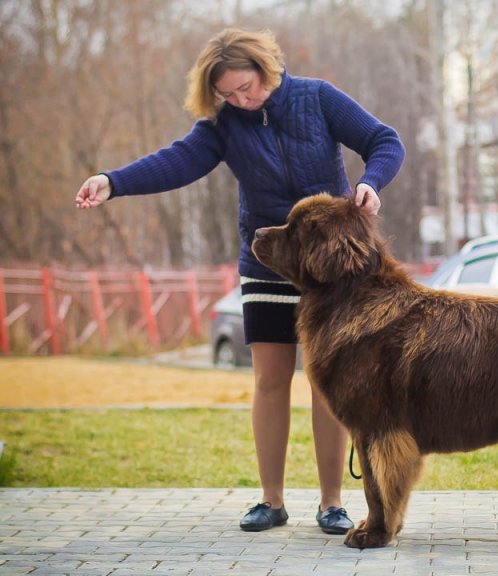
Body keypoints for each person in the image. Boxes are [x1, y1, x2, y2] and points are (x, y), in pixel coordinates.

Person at [75, 28, 405, 535]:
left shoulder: (318, 98)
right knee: (270, 381)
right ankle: (271, 501)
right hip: (268, 264)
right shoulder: (225, 124)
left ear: (266, 67)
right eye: (227, 94)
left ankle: (332, 503)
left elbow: (384, 140)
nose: (240, 100)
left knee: (329, 386)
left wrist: (369, 182)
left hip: (334, 273)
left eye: (245, 88)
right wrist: (113, 181)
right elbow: (177, 161)